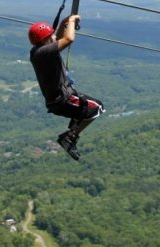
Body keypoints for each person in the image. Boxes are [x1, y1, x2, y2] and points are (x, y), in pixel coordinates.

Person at [28, 15, 104, 161]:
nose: (54, 37)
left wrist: (64, 23)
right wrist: (71, 22)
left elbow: (58, 39)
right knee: (96, 108)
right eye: (50, 35)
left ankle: (73, 130)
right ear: (45, 40)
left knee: (92, 107)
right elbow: (68, 39)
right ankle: (69, 138)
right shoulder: (43, 53)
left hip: (58, 100)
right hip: (63, 99)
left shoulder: (38, 51)